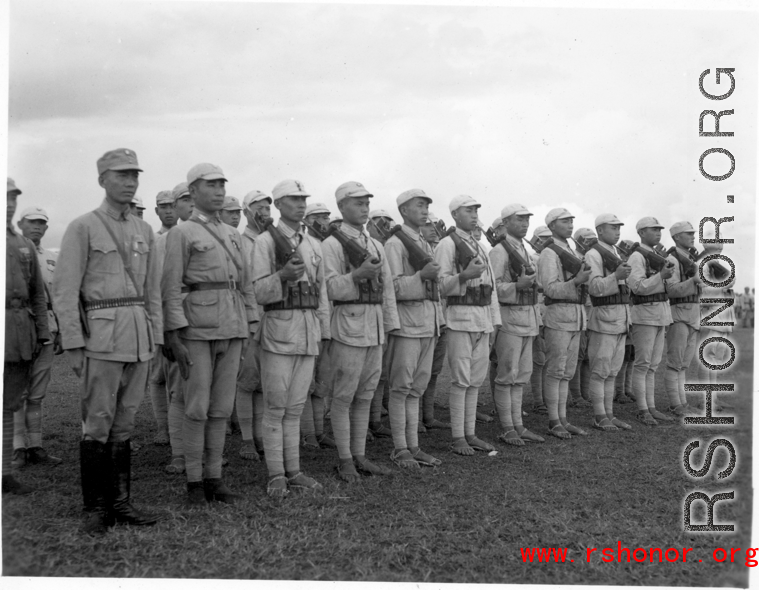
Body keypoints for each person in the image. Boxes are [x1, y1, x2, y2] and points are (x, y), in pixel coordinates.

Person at [53, 149, 161, 533]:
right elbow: (65, 290)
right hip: (101, 338)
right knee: (97, 424)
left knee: (125, 424)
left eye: (134, 174)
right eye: (121, 175)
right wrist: (74, 343)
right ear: (102, 180)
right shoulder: (83, 226)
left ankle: (121, 503)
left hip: (138, 339)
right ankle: (95, 508)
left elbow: (152, 292)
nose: (130, 181)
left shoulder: (143, 230)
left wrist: (156, 336)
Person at [162, 163, 257, 505]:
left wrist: (249, 325)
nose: (219, 191)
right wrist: (172, 334)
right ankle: (193, 481)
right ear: (194, 191)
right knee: (197, 408)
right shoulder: (182, 232)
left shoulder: (233, 234)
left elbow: (244, 285)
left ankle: (214, 478)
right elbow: (170, 287)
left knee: (220, 408)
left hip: (231, 327)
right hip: (196, 330)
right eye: (211, 185)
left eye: (222, 185)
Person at [250, 179, 331, 496]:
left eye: (303, 199)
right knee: (275, 406)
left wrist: (323, 331)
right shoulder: (265, 242)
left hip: (309, 328)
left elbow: (321, 292)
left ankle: (294, 470)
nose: (300, 204)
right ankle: (275, 474)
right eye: (293, 199)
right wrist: (282, 277)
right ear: (279, 204)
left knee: (296, 406)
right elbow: (258, 290)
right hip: (279, 327)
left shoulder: (313, 244)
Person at [322, 181, 400, 480]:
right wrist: (356, 276)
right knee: (343, 396)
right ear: (342, 207)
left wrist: (390, 325)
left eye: (367, 201)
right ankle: (344, 459)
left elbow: (388, 289)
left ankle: (360, 456)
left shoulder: (376, 243)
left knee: (366, 394)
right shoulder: (332, 244)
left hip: (374, 324)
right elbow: (328, 287)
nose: (364, 206)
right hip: (348, 322)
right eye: (357, 202)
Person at [433, 194, 500, 456]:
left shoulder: (480, 246)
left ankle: (470, 433)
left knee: (475, 381)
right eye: (467, 210)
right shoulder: (447, 244)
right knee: (461, 381)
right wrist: (463, 276)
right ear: (454, 215)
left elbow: (491, 288)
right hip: (460, 318)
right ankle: (458, 437)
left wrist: (494, 322)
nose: (473, 215)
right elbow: (440, 285)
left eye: (475, 210)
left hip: (482, 320)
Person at [383, 188, 444, 468]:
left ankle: (413, 446)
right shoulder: (396, 243)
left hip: (428, 322)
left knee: (417, 387)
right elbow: (392, 287)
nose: (424, 210)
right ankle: (400, 448)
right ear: (404, 210)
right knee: (401, 387)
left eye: (426, 205)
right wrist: (421, 277)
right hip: (407, 323)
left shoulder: (424, 241)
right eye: (419, 205)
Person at [4, 179, 52, 495]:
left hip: (18, 328)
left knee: (9, 403)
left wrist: (43, 332)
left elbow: (37, 292)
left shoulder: (21, 243)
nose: (9, 203)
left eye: (12, 197)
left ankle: (4, 473)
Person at [12, 206, 63, 468]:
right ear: (20, 223)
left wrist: (60, 330)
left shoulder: (52, 257)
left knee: (37, 393)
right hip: (18, 330)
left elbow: (56, 297)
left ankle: (36, 445)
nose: (37, 227)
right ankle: (17, 447)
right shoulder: (9, 253)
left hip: (48, 328)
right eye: (32, 222)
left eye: (42, 223)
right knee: (17, 391)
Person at [489, 204, 544, 445]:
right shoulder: (499, 250)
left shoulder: (523, 249)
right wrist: (517, 287)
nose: (524, 223)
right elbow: (493, 288)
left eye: (526, 220)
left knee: (522, 375)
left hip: (528, 317)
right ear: (506, 222)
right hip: (510, 317)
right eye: (519, 219)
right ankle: (507, 427)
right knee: (506, 374)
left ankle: (518, 425)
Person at [537, 208, 591, 439]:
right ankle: (553, 421)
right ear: (551, 226)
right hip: (558, 315)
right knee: (555, 370)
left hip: (575, 315)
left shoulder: (572, 250)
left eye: (571, 221)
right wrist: (576, 281)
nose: (570, 225)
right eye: (564, 221)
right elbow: (549, 288)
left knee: (567, 372)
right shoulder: (549, 253)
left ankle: (563, 419)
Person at [584, 214, 633, 432]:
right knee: (600, 370)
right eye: (612, 227)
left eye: (618, 227)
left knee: (612, 371)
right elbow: (594, 288)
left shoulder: (615, 252)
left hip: (621, 319)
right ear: (600, 231)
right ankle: (598, 416)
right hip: (603, 319)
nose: (617, 231)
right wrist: (616, 276)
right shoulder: (593, 254)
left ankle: (609, 415)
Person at [626, 216, 675, 426]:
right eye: (652, 229)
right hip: (644, 313)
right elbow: (637, 287)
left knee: (653, 365)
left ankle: (651, 407)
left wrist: (664, 276)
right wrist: (661, 276)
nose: (658, 232)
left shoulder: (656, 254)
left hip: (660, 313)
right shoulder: (637, 257)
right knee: (643, 363)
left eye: (659, 229)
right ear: (641, 233)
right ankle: (642, 409)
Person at [235, 189, 270, 460]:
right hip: (250, 316)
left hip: (274, 317)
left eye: (268, 209)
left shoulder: (272, 240)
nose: (264, 214)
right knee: (247, 381)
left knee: (263, 383)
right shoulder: (239, 241)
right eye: (258, 208)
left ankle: (259, 436)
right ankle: (247, 439)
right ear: (246, 212)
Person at [300, 201, 336, 449]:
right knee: (305, 381)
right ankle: (308, 434)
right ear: (307, 220)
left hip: (328, 319)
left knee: (322, 382)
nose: (323, 221)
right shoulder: (302, 244)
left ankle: (320, 431)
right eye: (318, 217)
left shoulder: (329, 246)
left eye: (326, 216)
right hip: (305, 320)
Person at [147, 190, 177, 447]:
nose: (168, 210)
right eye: (163, 206)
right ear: (156, 210)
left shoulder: (185, 234)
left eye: (171, 205)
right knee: (158, 376)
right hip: (160, 313)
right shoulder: (152, 239)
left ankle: (179, 430)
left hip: (184, 313)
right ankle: (162, 428)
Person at [664, 221, 703, 416]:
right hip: (678, 314)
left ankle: (682, 402)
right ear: (676, 237)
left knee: (684, 364)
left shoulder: (690, 258)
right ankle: (675, 403)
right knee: (675, 361)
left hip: (692, 314)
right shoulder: (672, 259)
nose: (692, 236)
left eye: (692, 233)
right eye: (688, 233)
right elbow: (671, 290)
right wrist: (693, 280)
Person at [418, 213, 449, 431]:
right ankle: (415, 419)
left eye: (434, 226)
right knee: (415, 373)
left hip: (440, 318)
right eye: (427, 225)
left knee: (433, 371)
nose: (432, 230)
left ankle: (428, 416)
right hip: (421, 319)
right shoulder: (413, 251)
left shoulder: (436, 250)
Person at [525, 225, 551, 414]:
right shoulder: (533, 258)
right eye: (542, 238)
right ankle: (538, 399)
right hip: (538, 311)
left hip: (548, 311)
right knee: (539, 359)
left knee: (548, 358)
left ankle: (544, 397)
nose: (545, 241)